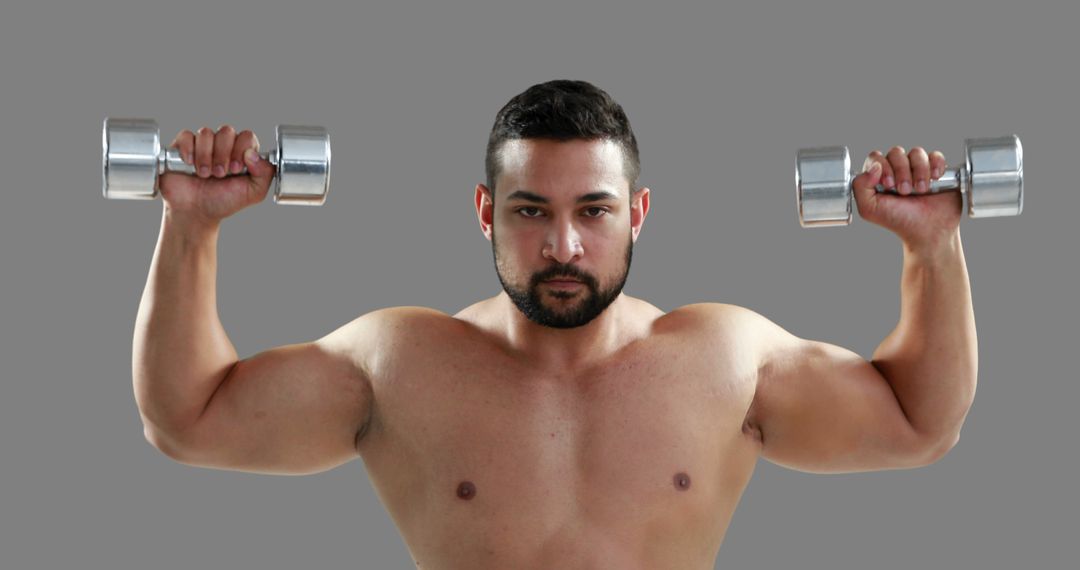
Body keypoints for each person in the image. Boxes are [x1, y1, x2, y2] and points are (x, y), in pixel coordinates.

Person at [133, 79, 977, 569]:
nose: (563, 245)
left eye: (595, 211)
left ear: (638, 213)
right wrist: (192, 225)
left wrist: (931, 247)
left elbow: (918, 423)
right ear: (485, 211)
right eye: (531, 209)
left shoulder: (724, 359)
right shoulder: (400, 363)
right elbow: (189, 420)